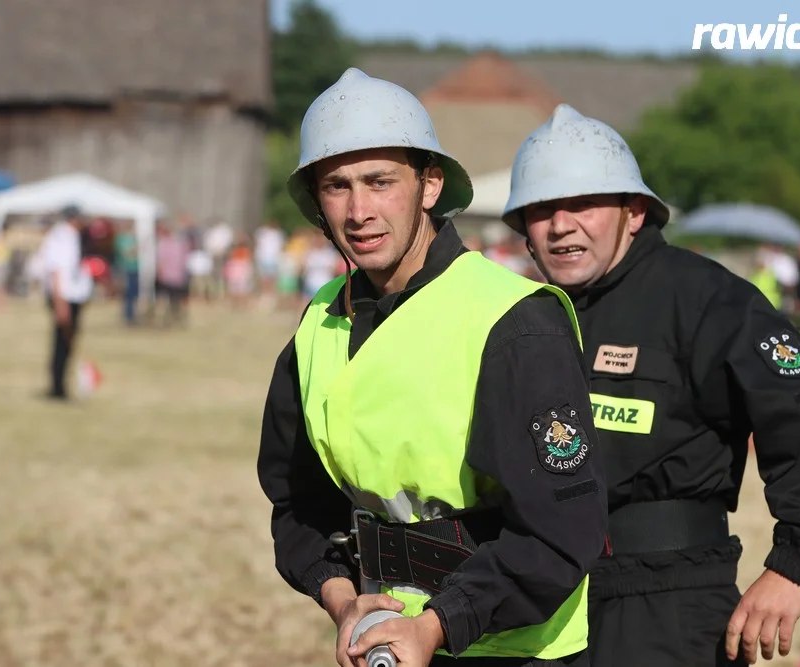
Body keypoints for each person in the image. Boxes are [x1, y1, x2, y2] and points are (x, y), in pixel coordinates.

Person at [256, 69, 607, 667]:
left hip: (514, 649)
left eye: (380, 181)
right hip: (384, 645)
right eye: (337, 186)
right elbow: (298, 503)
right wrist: (345, 603)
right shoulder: (319, 321)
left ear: (429, 184)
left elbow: (561, 529)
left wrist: (437, 627)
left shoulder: (515, 322)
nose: (359, 210)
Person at [502, 104, 800, 667]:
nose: (560, 224)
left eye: (583, 204)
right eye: (541, 209)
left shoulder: (707, 300)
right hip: (538, 603)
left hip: (667, 605)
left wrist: (796, 564)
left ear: (635, 212)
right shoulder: (520, 318)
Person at [39, 205, 93, 399]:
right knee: (62, 342)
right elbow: (56, 271)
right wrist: (60, 303)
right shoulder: (61, 237)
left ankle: (61, 385)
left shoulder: (70, 236)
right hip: (63, 296)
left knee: (67, 342)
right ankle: (57, 387)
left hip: (71, 296)